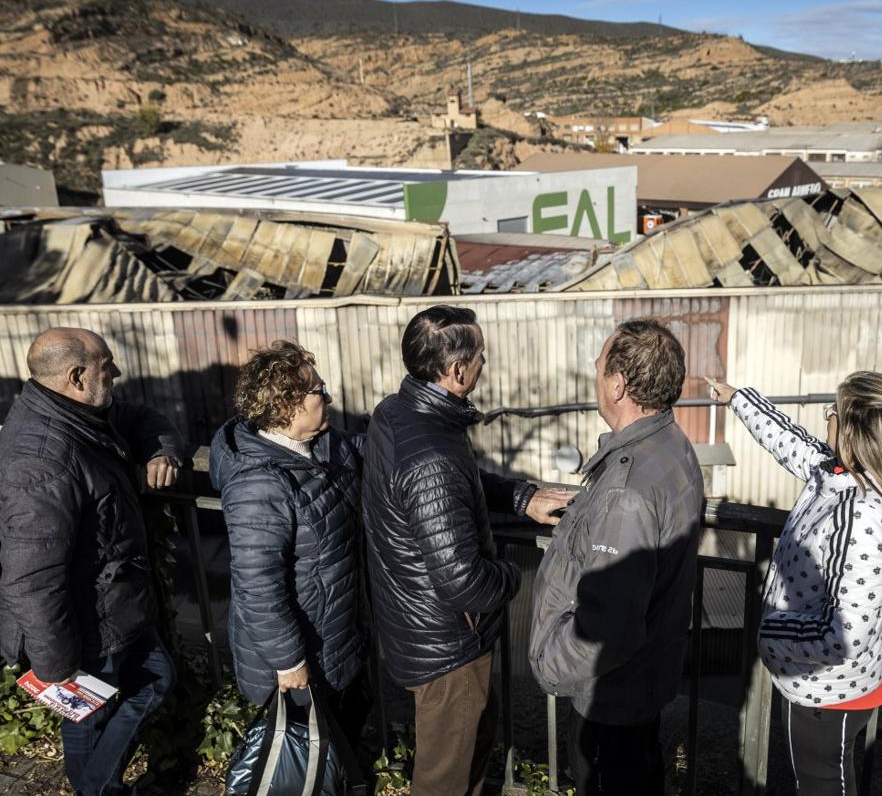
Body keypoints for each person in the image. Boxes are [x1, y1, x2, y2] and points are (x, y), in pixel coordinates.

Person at [362, 304, 574, 796]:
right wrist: (514, 574)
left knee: (466, 758)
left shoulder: (398, 413)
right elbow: (466, 582)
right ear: (457, 371)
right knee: (446, 779)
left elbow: (454, 490)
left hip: (420, 628)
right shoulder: (431, 454)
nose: (485, 362)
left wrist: (520, 497)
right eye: (481, 355)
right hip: (448, 649)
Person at [708, 371, 882, 796]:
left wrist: (768, 634)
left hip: (826, 692)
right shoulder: (837, 477)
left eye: (833, 413)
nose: (826, 418)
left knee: (823, 787)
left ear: (853, 433)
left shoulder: (862, 517)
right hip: (824, 683)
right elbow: (790, 443)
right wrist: (738, 398)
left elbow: (843, 635)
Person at [0, 327, 182, 796]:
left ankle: (96, 787)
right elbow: (30, 576)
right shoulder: (43, 460)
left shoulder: (75, 412)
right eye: (108, 366)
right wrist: (56, 665)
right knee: (88, 716)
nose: (118, 372)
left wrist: (161, 450)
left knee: (156, 679)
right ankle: (97, 789)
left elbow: (143, 416)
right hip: (82, 628)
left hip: (117, 605)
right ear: (77, 376)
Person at [529, 319, 705, 796]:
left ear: (618, 384)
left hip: (609, 697)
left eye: (599, 365)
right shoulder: (671, 447)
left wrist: (548, 663)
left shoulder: (628, 491)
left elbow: (605, 629)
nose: (595, 373)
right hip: (641, 684)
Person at [209, 341, 370, 755]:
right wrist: (289, 662)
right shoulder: (258, 484)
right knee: (307, 760)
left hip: (334, 639)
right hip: (297, 666)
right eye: (319, 389)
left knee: (339, 747)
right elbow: (257, 586)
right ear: (287, 405)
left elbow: (392, 458)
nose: (328, 396)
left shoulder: (323, 445)